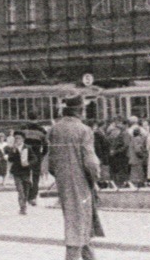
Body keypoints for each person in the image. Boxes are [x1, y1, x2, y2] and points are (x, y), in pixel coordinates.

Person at [48, 98, 103, 260]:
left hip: (63, 181)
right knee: (78, 225)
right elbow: (91, 162)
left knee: (79, 223)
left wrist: (61, 175)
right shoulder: (84, 130)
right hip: (81, 182)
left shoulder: (54, 129)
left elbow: (51, 162)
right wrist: (95, 179)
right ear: (79, 110)